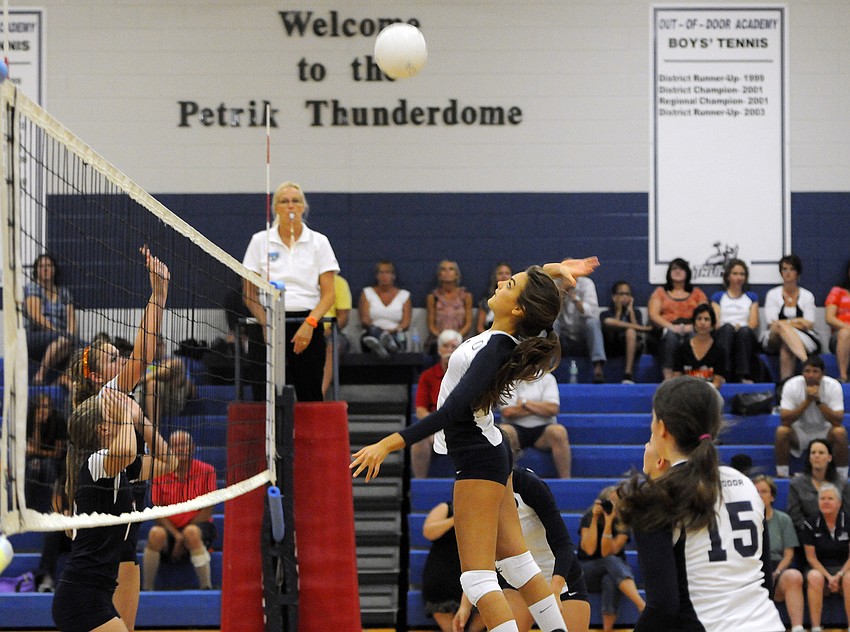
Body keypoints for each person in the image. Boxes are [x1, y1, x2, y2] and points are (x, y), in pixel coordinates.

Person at [352, 258, 601, 632]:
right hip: (490, 448)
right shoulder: (504, 338)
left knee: (477, 579)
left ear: (517, 308)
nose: (501, 283)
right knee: (516, 564)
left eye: (509, 285)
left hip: (478, 457)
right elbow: (531, 289)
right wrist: (556, 270)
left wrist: (389, 443)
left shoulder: (495, 349)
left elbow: (452, 411)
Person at [617, 376, 784, 632]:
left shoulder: (658, 497)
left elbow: (663, 607)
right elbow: (765, 583)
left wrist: (652, 483)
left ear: (662, 427)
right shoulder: (745, 484)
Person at [67, 247, 170, 632]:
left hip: (126, 514)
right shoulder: (107, 397)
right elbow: (143, 356)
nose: (121, 362)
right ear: (97, 376)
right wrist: (157, 298)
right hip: (113, 523)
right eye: (112, 359)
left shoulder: (114, 399)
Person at [52, 389, 177, 632]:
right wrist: (125, 417)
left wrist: (140, 419)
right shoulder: (96, 462)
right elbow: (128, 451)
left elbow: (168, 461)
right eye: (112, 418)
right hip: (81, 597)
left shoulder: (115, 469)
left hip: (96, 594)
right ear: (103, 429)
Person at [455, 464, 591, 632]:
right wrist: (465, 606)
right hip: (518, 578)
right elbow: (480, 559)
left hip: (560, 579)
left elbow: (564, 545)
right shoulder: (476, 494)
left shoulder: (527, 484)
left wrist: (553, 592)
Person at [242, 181, 339, 402]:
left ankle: (308, 436)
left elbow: (329, 294)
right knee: (263, 392)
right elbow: (249, 292)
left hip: (306, 320)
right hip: (269, 320)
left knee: (310, 390)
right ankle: (267, 436)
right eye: (284, 202)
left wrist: (310, 324)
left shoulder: (319, 242)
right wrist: (267, 323)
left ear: (303, 207)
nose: (290, 206)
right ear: (275, 207)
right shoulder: (260, 241)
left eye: (295, 201)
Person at [142, 431, 217, 591]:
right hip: (170, 530)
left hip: (199, 528)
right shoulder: (159, 473)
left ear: (193, 447)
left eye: (184, 444)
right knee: (155, 533)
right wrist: (177, 536)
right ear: (169, 450)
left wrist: (183, 538)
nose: (180, 449)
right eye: (175, 445)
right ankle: (147, 589)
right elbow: (158, 511)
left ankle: (206, 587)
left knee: (191, 532)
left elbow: (207, 511)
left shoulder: (207, 470)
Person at [576, 486, 645, 632]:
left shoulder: (623, 521)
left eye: (617, 501)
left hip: (613, 572)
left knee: (609, 577)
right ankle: (641, 605)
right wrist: (595, 518)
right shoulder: (589, 516)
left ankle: (607, 629)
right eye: (611, 501)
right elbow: (589, 549)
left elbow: (607, 551)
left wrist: (608, 522)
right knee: (611, 562)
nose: (613, 505)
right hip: (586, 572)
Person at [775, 355, 847, 479]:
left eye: (815, 371)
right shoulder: (791, 385)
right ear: (802, 373)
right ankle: (782, 474)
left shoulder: (833, 386)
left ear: (823, 373)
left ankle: (842, 476)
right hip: (799, 432)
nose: (811, 375)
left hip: (825, 432)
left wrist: (818, 402)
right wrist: (807, 401)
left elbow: (838, 420)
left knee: (840, 432)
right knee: (781, 432)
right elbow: (785, 420)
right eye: (807, 371)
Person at [420, 500, 485, 632]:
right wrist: (456, 519)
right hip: (442, 576)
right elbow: (428, 532)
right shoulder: (446, 508)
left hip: (477, 574)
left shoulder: (487, 511)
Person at [753, 475, 805, 632]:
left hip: (777, 568)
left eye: (764, 491)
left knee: (794, 576)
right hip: (753, 571)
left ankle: (797, 628)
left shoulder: (783, 519)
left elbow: (789, 553)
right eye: (756, 492)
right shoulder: (742, 521)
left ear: (772, 496)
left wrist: (777, 571)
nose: (760, 495)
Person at [499, 373, 571, 478]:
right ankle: (505, 479)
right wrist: (539, 408)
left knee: (559, 431)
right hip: (515, 428)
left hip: (543, 430)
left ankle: (566, 480)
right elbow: (508, 412)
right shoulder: (508, 378)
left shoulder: (548, 378)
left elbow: (553, 409)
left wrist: (524, 403)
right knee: (504, 432)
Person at [412, 329, 463, 478]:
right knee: (419, 439)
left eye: (453, 347)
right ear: (439, 349)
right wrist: (436, 424)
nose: (449, 350)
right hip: (436, 424)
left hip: (461, 423)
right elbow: (420, 410)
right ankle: (420, 486)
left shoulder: (468, 374)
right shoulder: (427, 376)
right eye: (446, 346)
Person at [647, 258, 708, 381]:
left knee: (694, 335)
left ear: (687, 272)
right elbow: (653, 315)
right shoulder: (660, 292)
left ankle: (696, 375)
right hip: (666, 328)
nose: (678, 271)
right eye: (674, 268)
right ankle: (668, 377)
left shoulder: (697, 293)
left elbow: (705, 313)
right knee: (670, 336)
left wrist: (693, 326)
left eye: (681, 269)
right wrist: (671, 327)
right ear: (669, 272)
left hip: (692, 327)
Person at [762, 254, 820, 382]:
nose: (787, 273)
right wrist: (797, 321)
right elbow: (772, 323)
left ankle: (785, 385)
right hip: (774, 337)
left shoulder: (807, 295)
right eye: (784, 269)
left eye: (791, 269)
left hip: (803, 336)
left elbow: (809, 323)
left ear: (797, 273)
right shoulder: (773, 294)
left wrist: (786, 323)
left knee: (786, 347)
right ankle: (807, 362)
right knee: (779, 327)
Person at [801, 483, 850, 632]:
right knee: (815, 577)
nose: (826, 502)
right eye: (822, 498)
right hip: (819, 568)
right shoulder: (810, 523)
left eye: (830, 498)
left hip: (844, 568)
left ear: (839, 503)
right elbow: (811, 557)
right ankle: (815, 627)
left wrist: (840, 575)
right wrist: (829, 577)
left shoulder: (848, 521)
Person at [24, 253, 78, 386]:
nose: (45, 268)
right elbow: (35, 316)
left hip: (60, 339)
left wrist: (69, 335)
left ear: (54, 269)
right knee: (61, 338)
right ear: (36, 270)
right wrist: (56, 331)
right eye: (41, 266)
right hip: (36, 336)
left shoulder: (64, 293)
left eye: (48, 265)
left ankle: (57, 378)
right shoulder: (33, 288)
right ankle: (40, 375)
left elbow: (72, 323)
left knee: (76, 344)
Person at [711, 259, 761, 383]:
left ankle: (742, 375)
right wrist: (731, 328)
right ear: (728, 276)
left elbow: (753, 323)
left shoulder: (751, 297)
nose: (738, 277)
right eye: (735, 274)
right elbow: (716, 323)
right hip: (724, 332)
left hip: (744, 333)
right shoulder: (718, 297)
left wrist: (740, 327)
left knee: (744, 331)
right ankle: (723, 373)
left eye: (742, 274)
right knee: (727, 329)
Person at [786, 438, 850, 532]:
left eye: (821, 453)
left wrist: (833, 530)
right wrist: (812, 531)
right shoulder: (796, 483)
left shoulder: (843, 483)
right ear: (809, 458)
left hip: (837, 533)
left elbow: (847, 512)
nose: (816, 456)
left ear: (829, 458)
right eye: (813, 453)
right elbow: (795, 514)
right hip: (806, 533)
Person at [553, 273, 606, 383]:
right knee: (552, 324)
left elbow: (592, 312)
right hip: (563, 337)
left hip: (583, 338)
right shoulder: (555, 284)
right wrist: (561, 295)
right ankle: (546, 367)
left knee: (593, 322)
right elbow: (551, 315)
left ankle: (598, 368)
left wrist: (575, 298)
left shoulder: (586, 283)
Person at [132, 336, 195, 426]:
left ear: (164, 345)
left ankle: (142, 380)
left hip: (172, 398)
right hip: (146, 401)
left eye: (159, 345)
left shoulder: (172, 361)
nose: (156, 348)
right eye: (153, 345)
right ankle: (154, 429)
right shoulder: (142, 364)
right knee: (153, 384)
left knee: (177, 364)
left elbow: (192, 390)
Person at [359, 260, 411, 359]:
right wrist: (382, 331)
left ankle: (385, 345)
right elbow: (365, 321)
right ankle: (387, 345)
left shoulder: (404, 295)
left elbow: (406, 323)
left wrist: (392, 331)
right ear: (376, 276)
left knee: (398, 336)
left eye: (387, 272)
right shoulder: (367, 292)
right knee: (373, 333)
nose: (384, 276)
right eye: (381, 272)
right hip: (373, 332)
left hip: (396, 332)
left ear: (393, 276)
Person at [25, 392, 68, 513]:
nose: (43, 410)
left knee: (47, 466)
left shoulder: (58, 421)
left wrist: (37, 451)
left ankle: (49, 506)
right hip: (37, 459)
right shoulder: (31, 421)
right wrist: (37, 426)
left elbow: (57, 453)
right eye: (40, 407)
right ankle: (28, 506)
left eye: (46, 407)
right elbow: (33, 447)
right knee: (33, 465)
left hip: (57, 461)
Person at [601, 280, 650, 384]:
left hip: (632, 348)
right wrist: (618, 312)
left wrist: (631, 311)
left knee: (631, 331)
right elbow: (612, 324)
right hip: (611, 346)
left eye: (627, 294)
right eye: (621, 294)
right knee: (624, 327)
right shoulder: (606, 313)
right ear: (614, 297)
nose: (625, 297)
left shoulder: (636, 312)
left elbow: (637, 331)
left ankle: (628, 374)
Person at [672, 303, 726, 389]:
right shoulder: (682, 349)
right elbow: (676, 380)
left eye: (706, 319)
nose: (702, 322)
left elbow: (717, 383)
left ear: (712, 325)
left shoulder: (719, 350)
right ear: (694, 324)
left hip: (709, 396)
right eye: (699, 319)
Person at [426, 259, 473, 352]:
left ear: (457, 275)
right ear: (439, 275)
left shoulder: (466, 297)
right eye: (443, 269)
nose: (447, 272)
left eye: (451, 269)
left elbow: (468, 324)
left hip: (461, 340)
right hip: (438, 340)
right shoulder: (433, 297)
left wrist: (456, 338)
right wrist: (444, 339)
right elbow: (431, 325)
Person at [322, 273, 352, 396]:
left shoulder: (339, 282)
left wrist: (330, 329)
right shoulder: (302, 282)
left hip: (331, 332)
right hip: (303, 331)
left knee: (332, 346)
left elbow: (343, 318)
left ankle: (320, 393)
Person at [825, 258, 850, 383]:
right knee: (845, 333)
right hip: (839, 336)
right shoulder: (837, 291)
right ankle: (843, 376)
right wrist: (847, 327)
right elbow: (829, 318)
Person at [477, 263, 513, 334]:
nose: (504, 276)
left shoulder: (518, 298)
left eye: (507, 273)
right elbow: (480, 328)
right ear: (495, 277)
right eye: (500, 273)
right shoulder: (486, 299)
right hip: (489, 334)